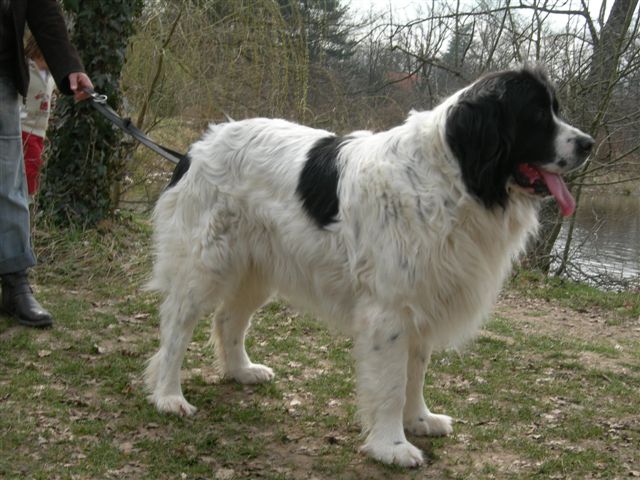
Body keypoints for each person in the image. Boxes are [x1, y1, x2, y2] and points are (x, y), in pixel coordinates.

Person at [0, 0, 94, 328]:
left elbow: (41, 5)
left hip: (2, 71)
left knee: (9, 183)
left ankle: (14, 283)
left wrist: (68, 66)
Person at [21, 33, 55, 198]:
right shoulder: (24, 69)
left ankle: (27, 202)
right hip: (22, 128)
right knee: (22, 171)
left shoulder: (51, 76)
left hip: (40, 132)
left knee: (33, 172)